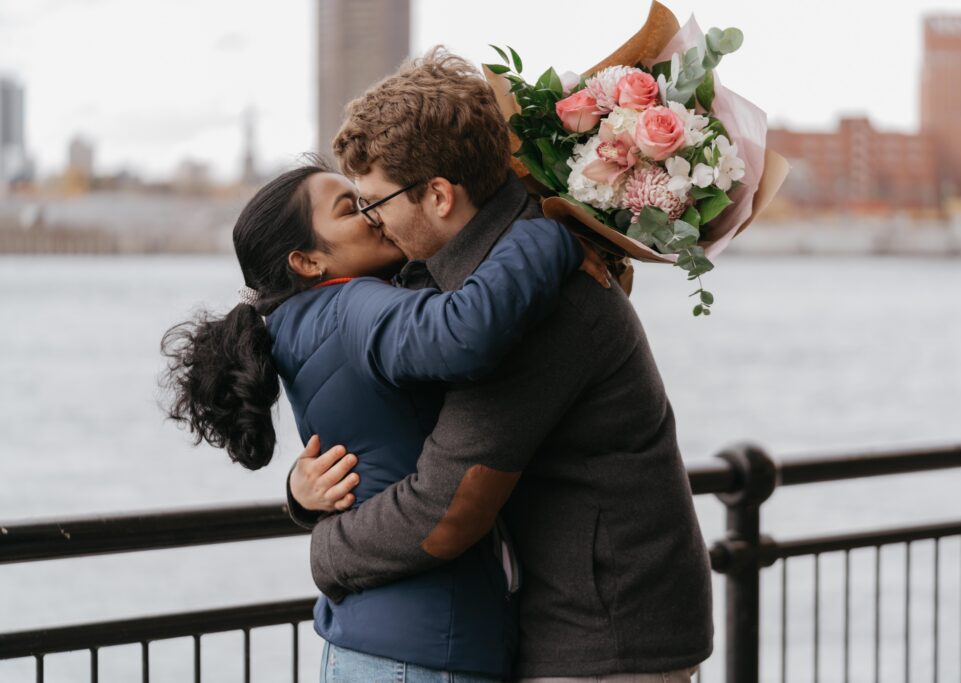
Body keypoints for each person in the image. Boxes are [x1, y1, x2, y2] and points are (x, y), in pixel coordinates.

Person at [287, 48, 713, 682]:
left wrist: (327, 552)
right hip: (585, 620)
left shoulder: (530, 309)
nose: (371, 220)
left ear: (437, 195)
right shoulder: (490, 270)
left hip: (604, 638)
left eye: (375, 202)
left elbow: (446, 507)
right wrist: (302, 492)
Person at [161, 155, 610, 681]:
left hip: (380, 635)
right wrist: (549, 234)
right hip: (421, 645)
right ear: (306, 261)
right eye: (351, 208)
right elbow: (461, 334)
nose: (373, 212)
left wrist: (298, 498)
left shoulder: (297, 322)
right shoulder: (352, 306)